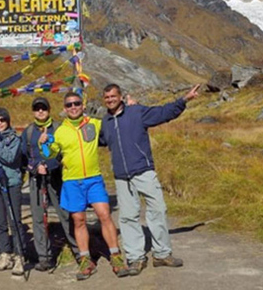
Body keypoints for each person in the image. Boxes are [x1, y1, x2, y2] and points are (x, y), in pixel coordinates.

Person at [100, 83, 201, 276]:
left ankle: (162, 254)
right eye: (107, 98)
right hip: (122, 177)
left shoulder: (137, 112)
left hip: (143, 171)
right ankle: (136, 257)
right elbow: (97, 141)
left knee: (158, 210)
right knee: (128, 217)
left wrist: (184, 100)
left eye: (113, 96)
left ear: (121, 97)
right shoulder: (104, 122)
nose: (110, 100)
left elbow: (163, 113)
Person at [43, 92, 129, 281]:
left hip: (94, 179)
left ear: (82, 105)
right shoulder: (60, 131)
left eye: (76, 103)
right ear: (64, 109)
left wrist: (128, 107)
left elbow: (114, 122)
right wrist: (45, 145)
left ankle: (115, 256)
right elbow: (51, 155)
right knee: (79, 220)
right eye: (69, 105)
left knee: (104, 215)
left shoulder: (94, 123)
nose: (73, 107)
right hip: (72, 181)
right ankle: (85, 260)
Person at [19, 96, 78, 271]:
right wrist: (35, 167)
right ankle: (44, 257)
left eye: (43, 108)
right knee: (38, 218)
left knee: (65, 214)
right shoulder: (28, 132)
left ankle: (78, 251)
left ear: (49, 109)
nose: (40, 111)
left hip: (58, 177)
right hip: (37, 179)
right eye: (37, 109)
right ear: (33, 111)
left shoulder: (60, 128)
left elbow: (66, 153)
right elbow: (24, 158)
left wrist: (51, 165)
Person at [0, 108, 25, 276]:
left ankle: (19, 256)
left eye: (3, 120)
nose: (0, 123)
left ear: (8, 121)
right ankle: (5, 253)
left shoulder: (15, 139)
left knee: (14, 221)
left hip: (11, 184)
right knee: (0, 222)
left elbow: (10, 157)